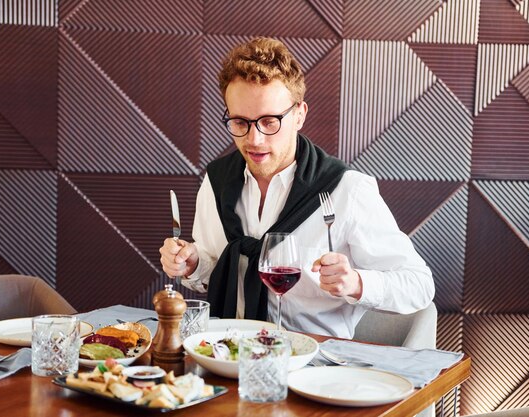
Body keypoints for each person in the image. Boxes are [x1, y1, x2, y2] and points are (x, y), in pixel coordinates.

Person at [159, 37, 434, 338]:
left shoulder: (347, 191)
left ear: (299, 115)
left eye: (269, 121)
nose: (255, 140)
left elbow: (419, 285)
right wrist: (194, 264)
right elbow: (216, 274)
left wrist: (356, 282)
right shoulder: (216, 183)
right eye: (240, 122)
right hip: (226, 353)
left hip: (315, 367)